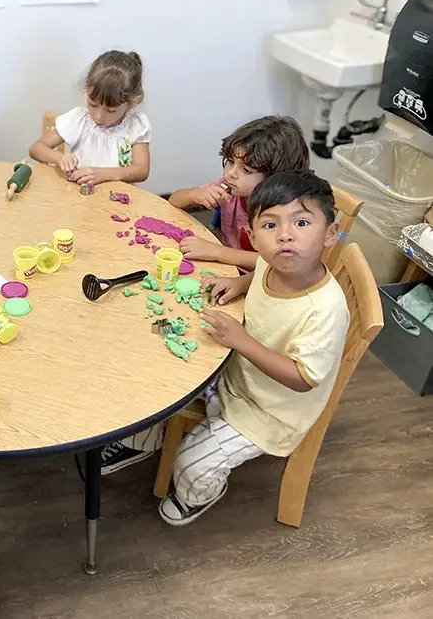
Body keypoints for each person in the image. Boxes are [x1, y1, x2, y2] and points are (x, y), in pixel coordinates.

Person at [159, 171, 349, 525]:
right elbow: (258, 271)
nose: (285, 235)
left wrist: (241, 341)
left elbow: (303, 378)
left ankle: (196, 497)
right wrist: (239, 282)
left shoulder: (326, 309)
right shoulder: (272, 262)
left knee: (191, 463)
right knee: (157, 387)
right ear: (252, 236)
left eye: (302, 222)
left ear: (330, 234)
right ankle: (138, 446)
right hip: (234, 374)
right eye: (270, 226)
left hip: (273, 413)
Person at [169, 115, 310, 271]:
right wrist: (196, 194)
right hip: (227, 268)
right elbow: (174, 200)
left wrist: (217, 252)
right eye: (230, 161)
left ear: (274, 179)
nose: (231, 173)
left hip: (262, 283)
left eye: (246, 170)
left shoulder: (283, 213)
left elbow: (273, 262)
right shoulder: (230, 187)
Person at [29, 50, 151, 186]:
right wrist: (60, 158)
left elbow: (142, 170)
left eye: (111, 110)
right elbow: (36, 149)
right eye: (93, 104)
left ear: (132, 102)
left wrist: (103, 174)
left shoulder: (135, 126)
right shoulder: (79, 120)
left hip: (115, 202)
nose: (99, 116)